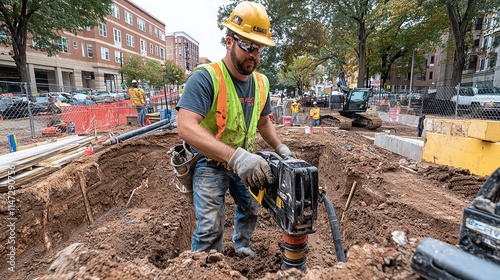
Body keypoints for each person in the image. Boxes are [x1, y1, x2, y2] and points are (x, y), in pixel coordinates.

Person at [176, 1, 295, 259]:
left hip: (246, 162)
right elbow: (185, 126)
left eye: (259, 48)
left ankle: (241, 246)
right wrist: (236, 157)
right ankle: (206, 267)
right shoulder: (206, 77)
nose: (254, 54)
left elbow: (263, 122)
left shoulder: (262, 83)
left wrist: (282, 149)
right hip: (210, 162)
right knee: (209, 227)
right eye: (248, 46)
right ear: (229, 41)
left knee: (251, 209)